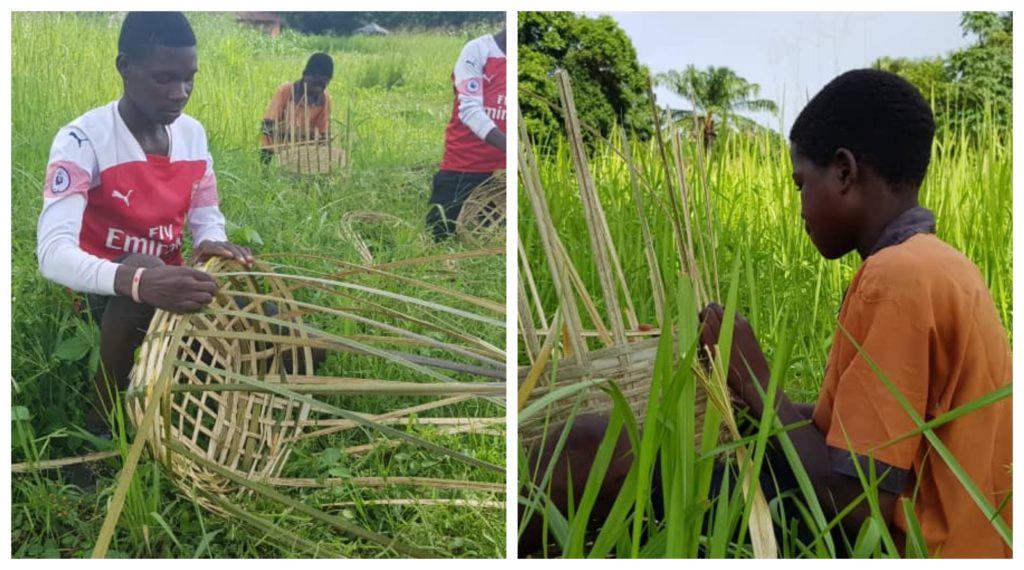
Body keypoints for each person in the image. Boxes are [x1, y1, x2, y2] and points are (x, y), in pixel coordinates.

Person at [700, 69, 1012, 557]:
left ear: (844, 172)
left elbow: (855, 504)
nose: (799, 206)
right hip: (980, 543)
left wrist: (755, 380)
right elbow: (858, 435)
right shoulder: (941, 265)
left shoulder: (896, 279)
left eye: (801, 183)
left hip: (919, 549)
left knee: (615, 459)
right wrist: (757, 407)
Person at [36, 12, 254, 442]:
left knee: (259, 303)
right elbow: (52, 254)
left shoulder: (192, 134)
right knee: (144, 263)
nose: (180, 93)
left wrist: (214, 242)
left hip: (169, 282)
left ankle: (257, 397)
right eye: (164, 79)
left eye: (190, 78)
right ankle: (100, 422)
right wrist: (138, 283)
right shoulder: (82, 140)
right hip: (106, 290)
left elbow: (206, 213)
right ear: (125, 67)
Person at [426, 26, 506, 241]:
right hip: (462, 169)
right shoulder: (478, 50)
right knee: (440, 239)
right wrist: (510, 148)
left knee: (489, 245)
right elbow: (470, 110)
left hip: (502, 180)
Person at [260, 52, 334, 164]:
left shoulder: (324, 99)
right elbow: (266, 125)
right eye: (315, 84)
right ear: (305, 75)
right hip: (275, 148)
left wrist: (322, 141)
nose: (318, 90)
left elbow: (323, 133)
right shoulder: (286, 91)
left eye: (323, 85)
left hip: (303, 152)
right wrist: (293, 136)